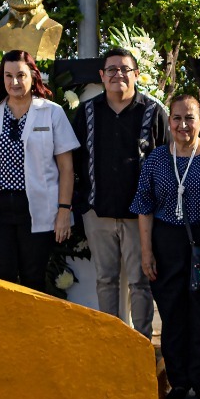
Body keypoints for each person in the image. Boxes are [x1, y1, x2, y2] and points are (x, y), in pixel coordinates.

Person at [133, 94, 200, 399]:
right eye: (177, 118)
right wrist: (146, 251)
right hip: (166, 243)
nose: (183, 124)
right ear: (169, 122)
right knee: (172, 313)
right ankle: (178, 380)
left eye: (189, 118)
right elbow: (144, 206)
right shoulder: (155, 159)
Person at [0, 49, 79, 291]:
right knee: (0, 279)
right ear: (1, 79)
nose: (14, 82)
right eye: (8, 76)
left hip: (36, 208)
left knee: (33, 278)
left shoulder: (51, 112)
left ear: (33, 77)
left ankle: (32, 329)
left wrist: (63, 211)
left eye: (21, 75)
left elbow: (66, 168)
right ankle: (6, 329)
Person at [71, 46, 167, 334]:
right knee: (106, 279)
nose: (118, 75)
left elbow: (164, 160)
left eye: (125, 69)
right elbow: (74, 161)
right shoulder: (87, 112)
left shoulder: (153, 111)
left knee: (140, 281)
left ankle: (141, 341)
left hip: (141, 217)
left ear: (136, 74)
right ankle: (110, 341)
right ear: (102, 75)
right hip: (97, 211)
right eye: (111, 69)